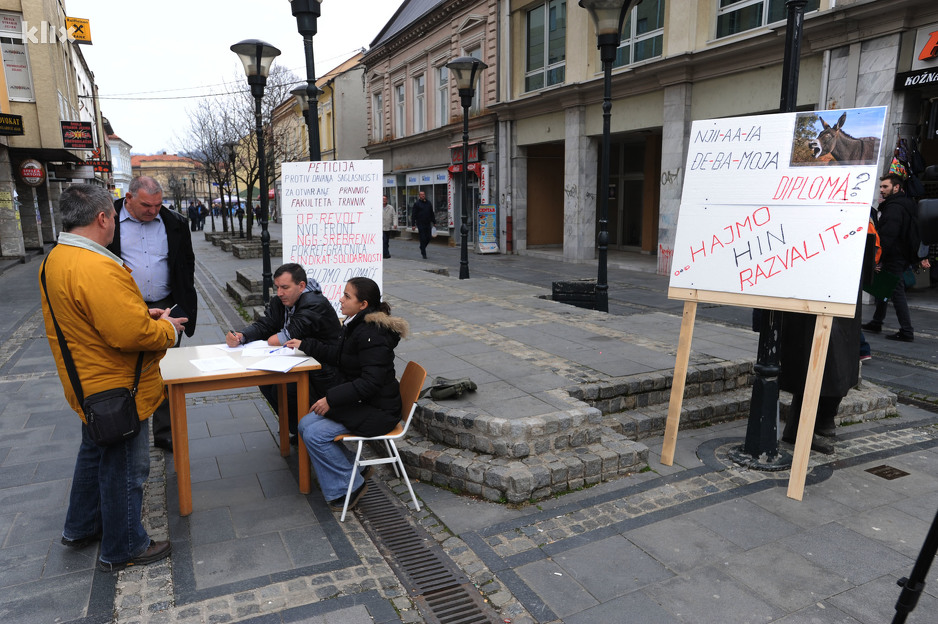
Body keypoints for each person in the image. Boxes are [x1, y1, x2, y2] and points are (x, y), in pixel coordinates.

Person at [40, 184, 187, 573]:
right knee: (126, 466)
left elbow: (102, 317)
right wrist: (167, 331)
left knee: (94, 453)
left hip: (89, 382)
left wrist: (143, 315)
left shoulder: (57, 257)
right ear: (103, 218)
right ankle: (124, 546)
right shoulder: (97, 266)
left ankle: (81, 526)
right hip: (118, 389)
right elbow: (130, 335)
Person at [286, 277, 410, 512]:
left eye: (347, 296)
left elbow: (369, 382)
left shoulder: (373, 334)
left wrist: (331, 399)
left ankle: (348, 487)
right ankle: (356, 468)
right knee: (305, 424)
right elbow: (340, 356)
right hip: (365, 403)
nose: (340, 299)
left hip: (379, 411)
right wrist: (306, 345)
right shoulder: (357, 325)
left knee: (314, 434)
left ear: (363, 304)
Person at [109, 176, 197, 452]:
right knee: (126, 368)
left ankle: (165, 431)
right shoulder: (107, 219)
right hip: (125, 307)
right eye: (147, 205)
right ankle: (125, 426)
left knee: (165, 369)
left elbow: (186, 264)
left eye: (158, 205)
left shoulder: (175, 222)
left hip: (166, 306)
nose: (153, 210)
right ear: (129, 198)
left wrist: (183, 301)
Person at [226, 263, 340, 442]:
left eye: (285, 287)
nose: (279, 293)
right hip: (300, 361)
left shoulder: (314, 303)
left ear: (301, 286)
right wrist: (242, 336)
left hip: (326, 370)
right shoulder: (281, 301)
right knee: (266, 382)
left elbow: (287, 336)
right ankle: (298, 429)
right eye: (277, 287)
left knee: (288, 386)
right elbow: (267, 324)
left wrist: (272, 339)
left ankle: (311, 431)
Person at [862, 173, 924, 342]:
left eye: (885, 187)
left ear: (896, 187)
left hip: (894, 255)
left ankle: (907, 331)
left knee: (896, 291)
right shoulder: (904, 203)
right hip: (902, 253)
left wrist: (878, 259)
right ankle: (877, 321)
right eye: (881, 187)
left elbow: (888, 236)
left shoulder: (894, 207)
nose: (881, 190)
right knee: (885, 287)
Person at [411, 191, 435, 259]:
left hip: (428, 223)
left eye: (424, 194)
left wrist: (434, 221)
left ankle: (422, 247)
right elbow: (413, 215)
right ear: (419, 196)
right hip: (420, 223)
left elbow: (431, 213)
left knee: (429, 237)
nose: (423, 196)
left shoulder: (428, 203)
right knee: (423, 238)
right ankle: (424, 253)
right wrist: (413, 224)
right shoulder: (417, 204)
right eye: (421, 195)